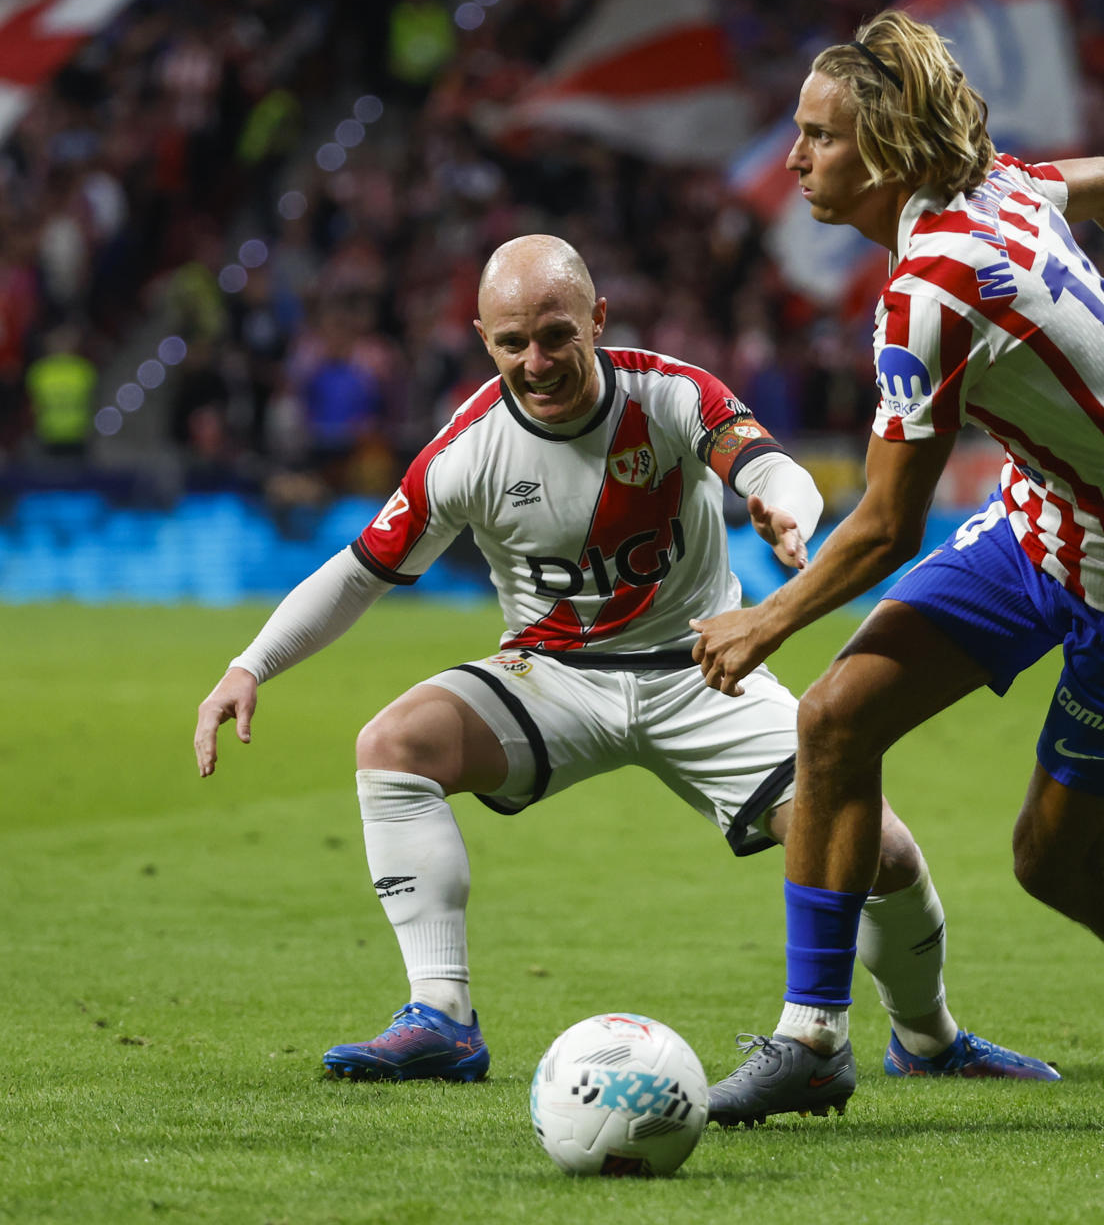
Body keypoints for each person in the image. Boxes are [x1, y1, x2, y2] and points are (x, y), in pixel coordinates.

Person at [192, 234, 1056, 1087]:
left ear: (598, 319)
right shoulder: (465, 452)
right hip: (553, 678)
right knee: (392, 746)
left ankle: (928, 1038)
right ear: (483, 340)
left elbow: (768, 466)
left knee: (883, 853)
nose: (536, 363)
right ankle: (440, 1016)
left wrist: (783, 508)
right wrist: (249, 665)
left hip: (704, 669)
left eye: (556, 336)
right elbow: (359, 573)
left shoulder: (671, 394)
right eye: (512, 343)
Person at [689, 12, 1104, 1129]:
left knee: (1054, 864)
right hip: (1040, 525)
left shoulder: (932, 291)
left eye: (818, 137)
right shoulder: (1000, 187)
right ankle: (812, 1040)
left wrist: (765, 619)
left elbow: (887, 526)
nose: (794, 159)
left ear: (884, 152)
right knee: (834, 722)